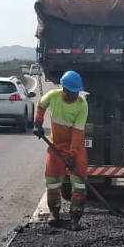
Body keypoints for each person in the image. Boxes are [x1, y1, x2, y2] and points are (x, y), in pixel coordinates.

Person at [33, 70, 89, 231]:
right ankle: (54, 214)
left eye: (78, 92)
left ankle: (75, 219)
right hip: (55, 147)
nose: (76, 95)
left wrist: (72, 154)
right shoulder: (53, 96)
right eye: (73, 92)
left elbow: (78, 132)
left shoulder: (82, 104)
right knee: (52, 182)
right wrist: (38, 123)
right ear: (64, 90)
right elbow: (41, 105)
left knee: (79, 184)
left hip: (75, 148)